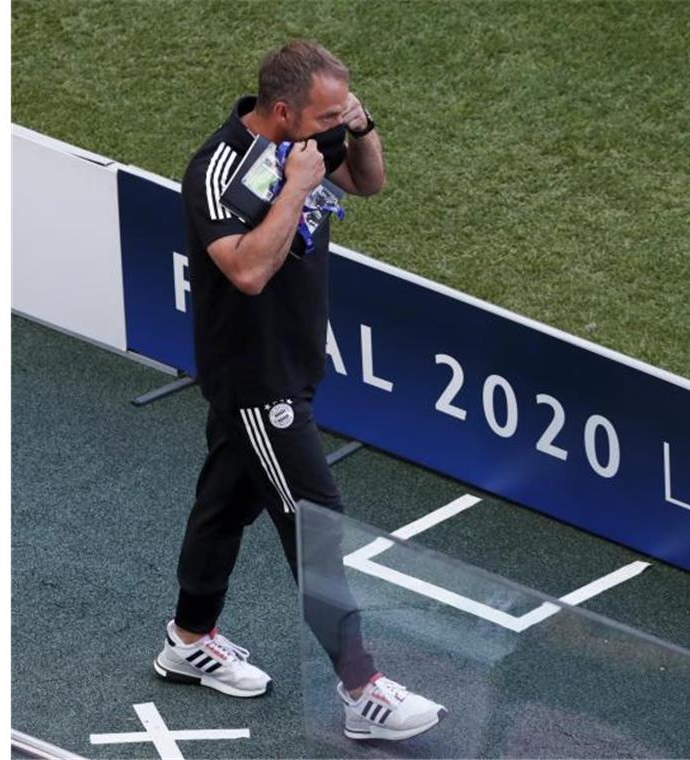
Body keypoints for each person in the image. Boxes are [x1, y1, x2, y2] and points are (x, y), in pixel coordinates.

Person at [152, 39, 447, 742]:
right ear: (283, 112)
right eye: (327, 116)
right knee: (314, 519)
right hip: (256, 379)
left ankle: (189, 639)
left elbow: (369, 183)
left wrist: (363, 125)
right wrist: (295, 188)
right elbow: (248, 272)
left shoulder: (316, 138)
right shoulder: (218, 172)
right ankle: (361, 689)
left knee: (224, 506)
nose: (336, 130)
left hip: (293, 362)